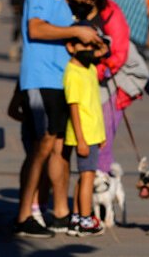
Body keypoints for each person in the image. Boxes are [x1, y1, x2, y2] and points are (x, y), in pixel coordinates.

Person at [14, 0, 102, 239]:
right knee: (42, 145)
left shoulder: (63, 0)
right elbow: (36, 29)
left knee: (58, 147)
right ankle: (25, 213)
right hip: (42, 80)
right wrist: (76, 31)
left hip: (59, 81)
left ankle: (59, 212)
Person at [66, 0, 133, 176]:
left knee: (102, 142)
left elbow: (120, 51)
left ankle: (99, 192)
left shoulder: (111, 12)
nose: (79, 6)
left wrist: (96, 69)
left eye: (83, 1)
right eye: (75, 2)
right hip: (79, 83)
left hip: (107, 86)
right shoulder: (69, 13)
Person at [63, 22, 110, 237]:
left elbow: (104, 51)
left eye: (91, 45)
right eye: (83, 45)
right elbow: (74, 109)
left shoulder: (89, 67)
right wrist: (81, 140)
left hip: (93, 133)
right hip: (84, 135)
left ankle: (76, 217)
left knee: (85, 176)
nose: (89, 49)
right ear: (70, 47)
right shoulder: (73, 73)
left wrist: (96, 41)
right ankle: (84, 218)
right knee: (88, 177)